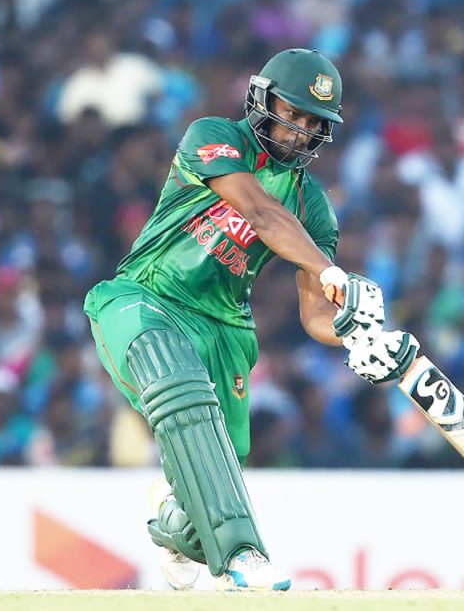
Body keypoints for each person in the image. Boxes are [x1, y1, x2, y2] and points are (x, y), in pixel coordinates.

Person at [83, 48, 418, 591]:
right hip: (145, 297)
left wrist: (360, 334)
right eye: (294, 111)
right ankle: (243, 555)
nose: (300, 130)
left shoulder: (314, 206)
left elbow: (315, 313)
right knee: (175, 378)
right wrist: (332, 269)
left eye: (314, 123)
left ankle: (172, 522)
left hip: (226, 333)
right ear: (263, 99)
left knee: (211, 483)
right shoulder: (213, 135)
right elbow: (260, 214)